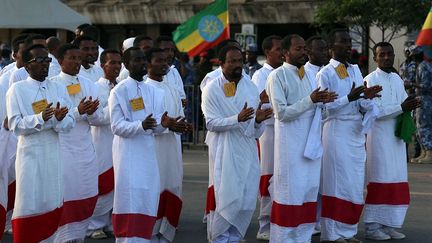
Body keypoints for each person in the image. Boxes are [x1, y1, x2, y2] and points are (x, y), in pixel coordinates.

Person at [266, 34, 336, 243]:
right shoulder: (277, 76)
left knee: (308, 190)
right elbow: (281, 113)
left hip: (310, 143)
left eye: (304, 48)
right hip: (290, 144)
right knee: (290, 191)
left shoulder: (307, 75)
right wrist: (310, 100)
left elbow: (312, 106)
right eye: (299, 49)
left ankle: (302, 237)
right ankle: (283, 238)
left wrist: (321, 102)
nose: (304, 52)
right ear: (285, 52)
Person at [109, 47, 183, 242]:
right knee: (129, 199)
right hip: (128, 155)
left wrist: (164, 124)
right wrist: (140, 126)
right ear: (126, 65)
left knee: (147, 198)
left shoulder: (154, 91)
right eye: (137, 60)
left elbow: (156, 126)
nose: (142, 63)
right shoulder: (119, 90)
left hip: (148, 156)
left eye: (143, 59)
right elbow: (116, 126)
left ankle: (143, 238)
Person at [202, 45, 273, 243]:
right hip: (224, 150)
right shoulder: (211, 88)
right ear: (221, 63)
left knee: (245, 197)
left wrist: (258, 120)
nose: (237, 65)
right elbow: (210, 123)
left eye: (239, 61)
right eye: (232, 61)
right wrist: (236, 118)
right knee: (226, 197)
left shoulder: (250, 87)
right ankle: (219, 238)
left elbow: (255, 131)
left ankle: (234, 237)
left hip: (247, 151)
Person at [317, 29, 382, 243]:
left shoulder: (355, 70)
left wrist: (366, 98)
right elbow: (324, 110)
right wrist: (348, 97)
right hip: (336, 131)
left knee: (353, 184)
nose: (348, 45)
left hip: (355, 132)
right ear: (331, 47)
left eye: (349, 41)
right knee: (336, 183)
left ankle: (348, 231)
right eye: (342, 42)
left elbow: (359, 100)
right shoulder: (325, 73)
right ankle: (332, 233)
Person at [7, 44, 74, 242]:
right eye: (40, 60)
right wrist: (40, 118)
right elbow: (15, 125)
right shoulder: (17, 90)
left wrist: (60, 119)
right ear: (27, 67)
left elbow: (69, 123)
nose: (45, 64)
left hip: (53, 152)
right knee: (31, 201)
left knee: (52, 200)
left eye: (47, 60)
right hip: (31, 154)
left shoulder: (57, 87)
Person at [363, 42, 421, 241]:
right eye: (382, 54)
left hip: (396, 138)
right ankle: (372, 226)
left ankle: (389, 224)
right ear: (375, 58)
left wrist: (412, 103)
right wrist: (402, 106)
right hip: (379, 139)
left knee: (396, 179)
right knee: (380, 179)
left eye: (389, 54)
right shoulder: (370, 80)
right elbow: (376, 112)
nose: (386, 57)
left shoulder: (397, 78)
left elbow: (403, 103)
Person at [52, 43, 103, 242]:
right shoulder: (53, 84)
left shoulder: (89, 84)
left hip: (85, 147)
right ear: (60, 61)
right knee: (67, 193)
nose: (76, 63)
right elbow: (56, 121)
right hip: (63, 148)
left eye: (79, 59)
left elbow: (97, 119)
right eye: (72, 58)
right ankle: (61, 237)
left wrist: (91, 112)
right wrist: (78, 111)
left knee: (86, 190)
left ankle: (79, 235)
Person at [145, 47, 192, 243]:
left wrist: (183, 125)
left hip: (173, 146)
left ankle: (166, 232)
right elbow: (144, 121)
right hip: (153, 147)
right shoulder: (145, 89)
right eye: (159, 60)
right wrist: (166, 126)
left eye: (165, 60)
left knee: (173, 185)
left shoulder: (172, 87)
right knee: (155, 188)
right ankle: (150, 232)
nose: (164, 64)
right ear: (148, 64)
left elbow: (178, 113)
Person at [251, 34, 283, 241]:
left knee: (283, 178)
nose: (282, 52)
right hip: (268, 133)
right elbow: (257, 105)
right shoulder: (259, 76)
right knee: (268, 177)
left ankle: (280, 220)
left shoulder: (287, 73)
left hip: (287, 132)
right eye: (279, 48)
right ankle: (264, 224)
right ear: (267, 53)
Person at [87, 49, 122, 239]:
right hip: (102, 140)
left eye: (119, 63)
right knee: (103, 182)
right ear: (102, 66)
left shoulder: (122, 86)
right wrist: (115, 107)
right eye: (112, 63)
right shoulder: (95, 88)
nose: (116, 67)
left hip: (120, 140)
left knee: (117, 182)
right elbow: (95, 118)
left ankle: (109, 222)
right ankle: (95, 225)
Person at [304, 35, 330, 235]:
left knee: (322, 180)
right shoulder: (304, 72)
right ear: (309, 52)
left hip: (326, 130)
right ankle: (307, 220)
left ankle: (319, 219)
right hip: (306, 131)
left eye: (326, 49)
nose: (325, 53)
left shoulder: (328, 71)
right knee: (308, 179)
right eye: (320, 49)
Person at [414, 47, 432, 164]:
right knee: (420, 126)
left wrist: (411, 84)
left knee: (424, 126)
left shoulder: (423, 66)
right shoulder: (424, 65)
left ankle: (429, 152)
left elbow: (426, 85)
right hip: (423, 99)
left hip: (424, 100)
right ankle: (424, 152)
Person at [156, 36, 187, 105]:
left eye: (172, 50)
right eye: (166, 50)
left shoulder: (174, 72)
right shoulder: (146, 75)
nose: (170, 53)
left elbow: (182, 98)